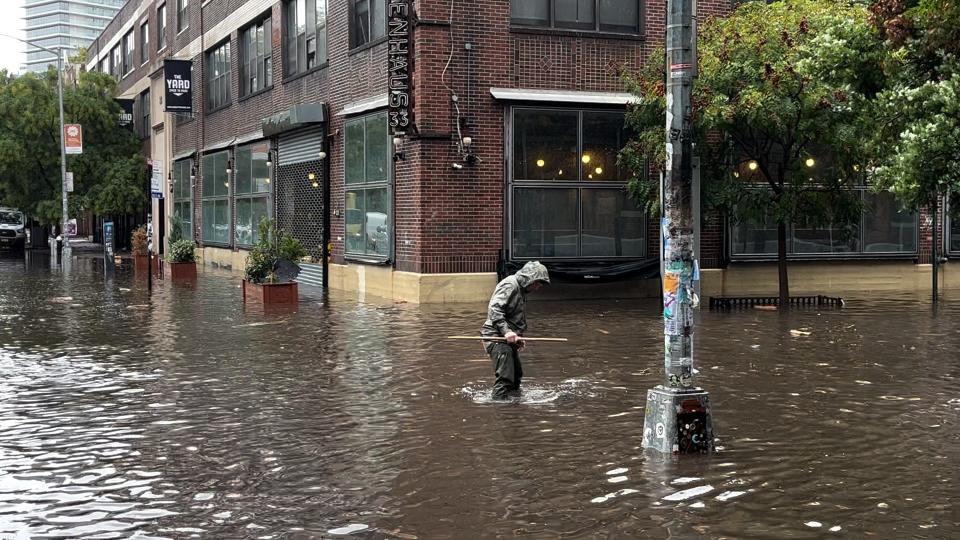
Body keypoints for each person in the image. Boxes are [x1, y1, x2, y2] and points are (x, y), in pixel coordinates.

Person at [481, 261, 550, 400]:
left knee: (516, 376)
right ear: (529, 277)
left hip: (507, 338)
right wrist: (507, 332)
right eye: (537, 283)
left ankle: (513, 406)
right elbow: (494, 310)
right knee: (505, 378)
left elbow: (513, 316)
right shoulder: (510, 285)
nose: (537, 287)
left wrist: (518, 337)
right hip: (496, 338)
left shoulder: (521, 289)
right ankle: (499, 407)